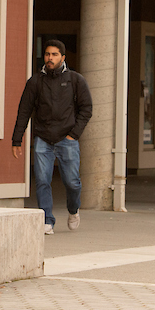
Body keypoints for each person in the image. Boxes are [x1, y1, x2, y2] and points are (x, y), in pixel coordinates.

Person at [11, 39, 93, 235]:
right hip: (43, 140)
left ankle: (73, 210)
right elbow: (24, 111)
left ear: (62, 58)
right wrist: (17, 139)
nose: (50, 58)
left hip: (67, 139)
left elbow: (86, 109)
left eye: (54, 55)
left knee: (72, 182)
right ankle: (47, 219)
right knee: (42, 181)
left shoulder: (75, 80)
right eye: (47, 54)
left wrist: (74, 134)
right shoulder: (35, 82)